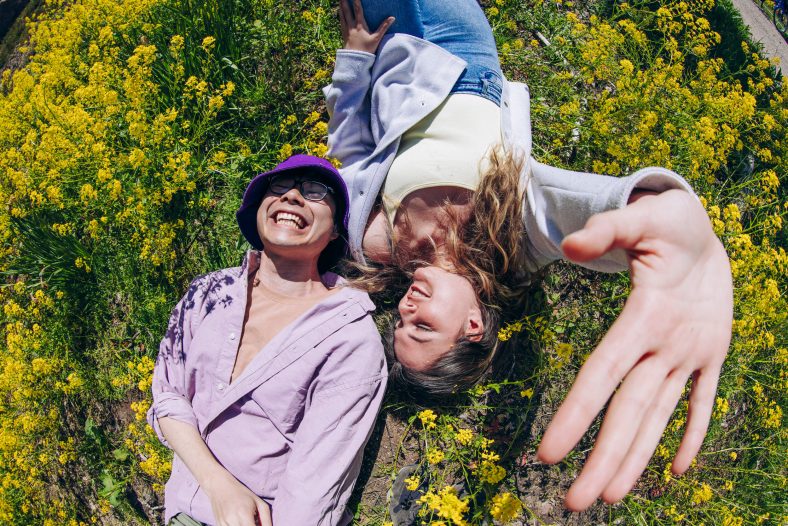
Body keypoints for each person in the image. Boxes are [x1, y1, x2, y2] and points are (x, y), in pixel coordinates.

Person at [324, 0, 733, 512]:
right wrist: (674, 218)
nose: (406, 310)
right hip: (462, 55)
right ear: (473, 325)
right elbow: (577, 214)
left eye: (400, 325)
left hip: (391, 63)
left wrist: (353, 61)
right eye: (423, 327)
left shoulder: (375, 246)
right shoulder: (512, 243)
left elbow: (356, 152)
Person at [147, 154, 387, 525]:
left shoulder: (349, 338)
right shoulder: (208, 291)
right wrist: (218, 485)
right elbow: (167, 397)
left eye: (315, 191)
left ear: (336, 230)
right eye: (279, 186)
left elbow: (312, 492)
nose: (292, 196)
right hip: (180, 511)